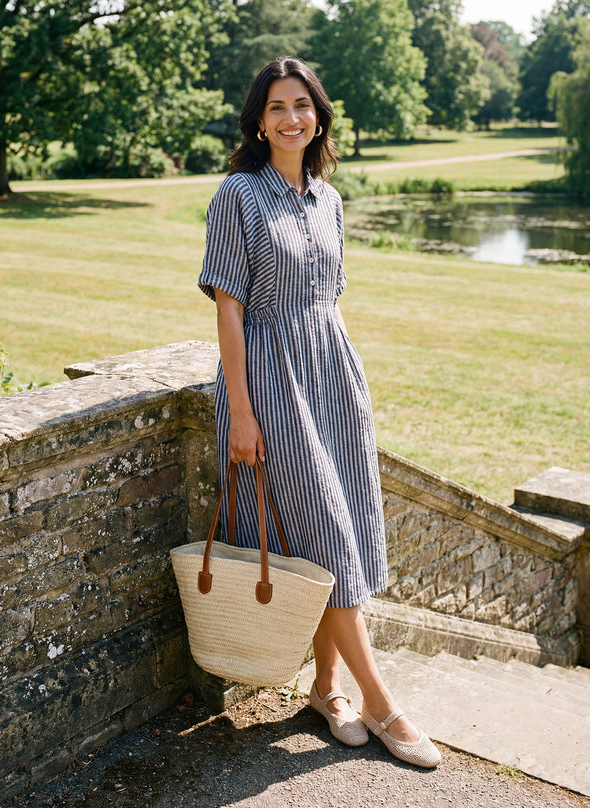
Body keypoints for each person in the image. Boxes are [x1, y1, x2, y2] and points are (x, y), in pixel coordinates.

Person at [198, 56, 440, 769]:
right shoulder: (237, 195)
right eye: (276, 107)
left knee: (343, 537)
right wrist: (242, 411)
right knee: (328, 540)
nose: (290, 118)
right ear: (258, 119)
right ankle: (383, 704)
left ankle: (327, 688)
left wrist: (350, 389)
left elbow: (327, 299)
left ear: (319, 115)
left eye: (302, 105)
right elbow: (230, 313)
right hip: (270, 384)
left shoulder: (327, 199)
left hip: (331, 377)